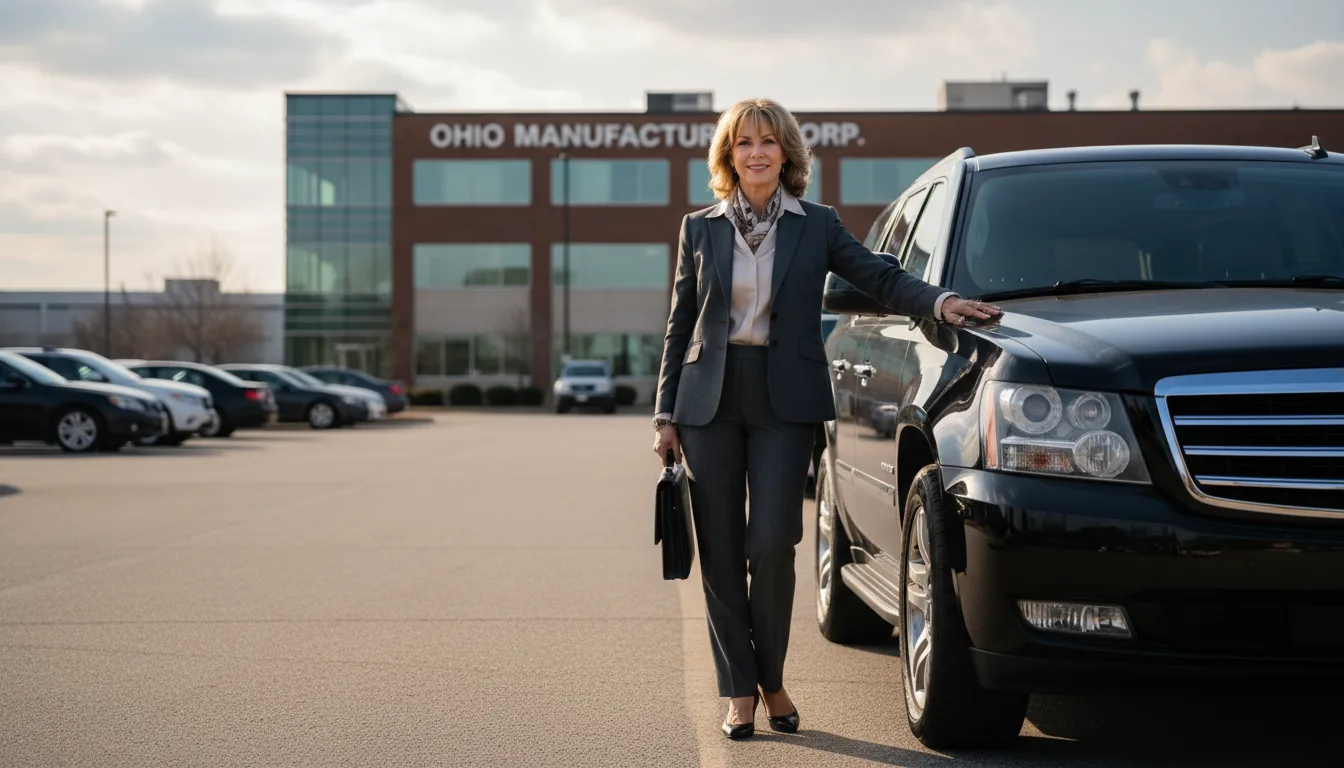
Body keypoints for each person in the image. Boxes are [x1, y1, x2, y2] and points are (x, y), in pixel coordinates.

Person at [651, 98, 1002, 740]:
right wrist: (664, 413)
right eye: (743, 142)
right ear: (728, 155)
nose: (755, 152)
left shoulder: (817, 225)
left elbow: (879, 276)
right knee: (723, 552)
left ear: (787, 153)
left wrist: (942, 301)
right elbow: (680, 327)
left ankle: (774, 676)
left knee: (771, 545)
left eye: (767, 141)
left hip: (785, 401)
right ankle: (741, 692)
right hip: (707, 403)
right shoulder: (698, 228)